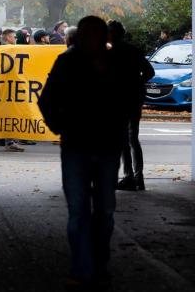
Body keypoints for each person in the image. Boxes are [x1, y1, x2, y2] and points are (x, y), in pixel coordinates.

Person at [38, 16, 129, 289]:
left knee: (104, 211)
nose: (92, 40)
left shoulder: (115, 63)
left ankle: (97, 264)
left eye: (96, 35)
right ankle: (84, 269)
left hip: (104, 145)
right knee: (80, 211)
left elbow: (127, 96)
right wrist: (62, 127)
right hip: (79, 145)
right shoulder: (67, 62)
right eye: (87, 35)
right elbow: (48, 100)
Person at [108, 20, 155, 191]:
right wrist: (136, 82)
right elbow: (150, 71)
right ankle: (138, 178)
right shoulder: (133, 50)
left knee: (121, 139)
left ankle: (128, 177)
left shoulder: (109, 52)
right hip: (135, 97)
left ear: (111, 34)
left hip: (117, 100)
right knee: (133, 138)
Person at [0, 29, 26, 152]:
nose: (16, 39)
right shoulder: (5, 50)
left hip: (12, 88)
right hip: (7, 89)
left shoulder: (10, 50)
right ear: (8, 38)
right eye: (14, 37)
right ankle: (10, 142)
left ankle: (10, 140)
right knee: (10, 115)